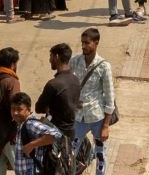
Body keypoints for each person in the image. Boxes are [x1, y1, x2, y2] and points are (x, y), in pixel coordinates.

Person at [70, 28, 116, 174]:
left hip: (97, 118)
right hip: (78, 117)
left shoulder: (104, 66)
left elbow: (110, 97)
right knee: (70, 153)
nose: (83, 46)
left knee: (101, 154)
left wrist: (106, 126)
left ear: (96, 43)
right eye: (82, 43)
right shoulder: (75, 61)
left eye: (87, 43)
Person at [35, 43, 81, 142]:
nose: (49, 60)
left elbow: (38, 108)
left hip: (55, 135)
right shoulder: (76, 80)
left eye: (51, 56)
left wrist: (49, 108)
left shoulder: (53, 84)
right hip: (71, 133)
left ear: (56, 57)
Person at [11, 92, 63, 175]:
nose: (15, 113)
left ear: (28, 109)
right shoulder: (22, 124)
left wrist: (31, 145)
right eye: (13, 109)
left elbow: (56, 135)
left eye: (19, 109)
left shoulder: (30, 124)